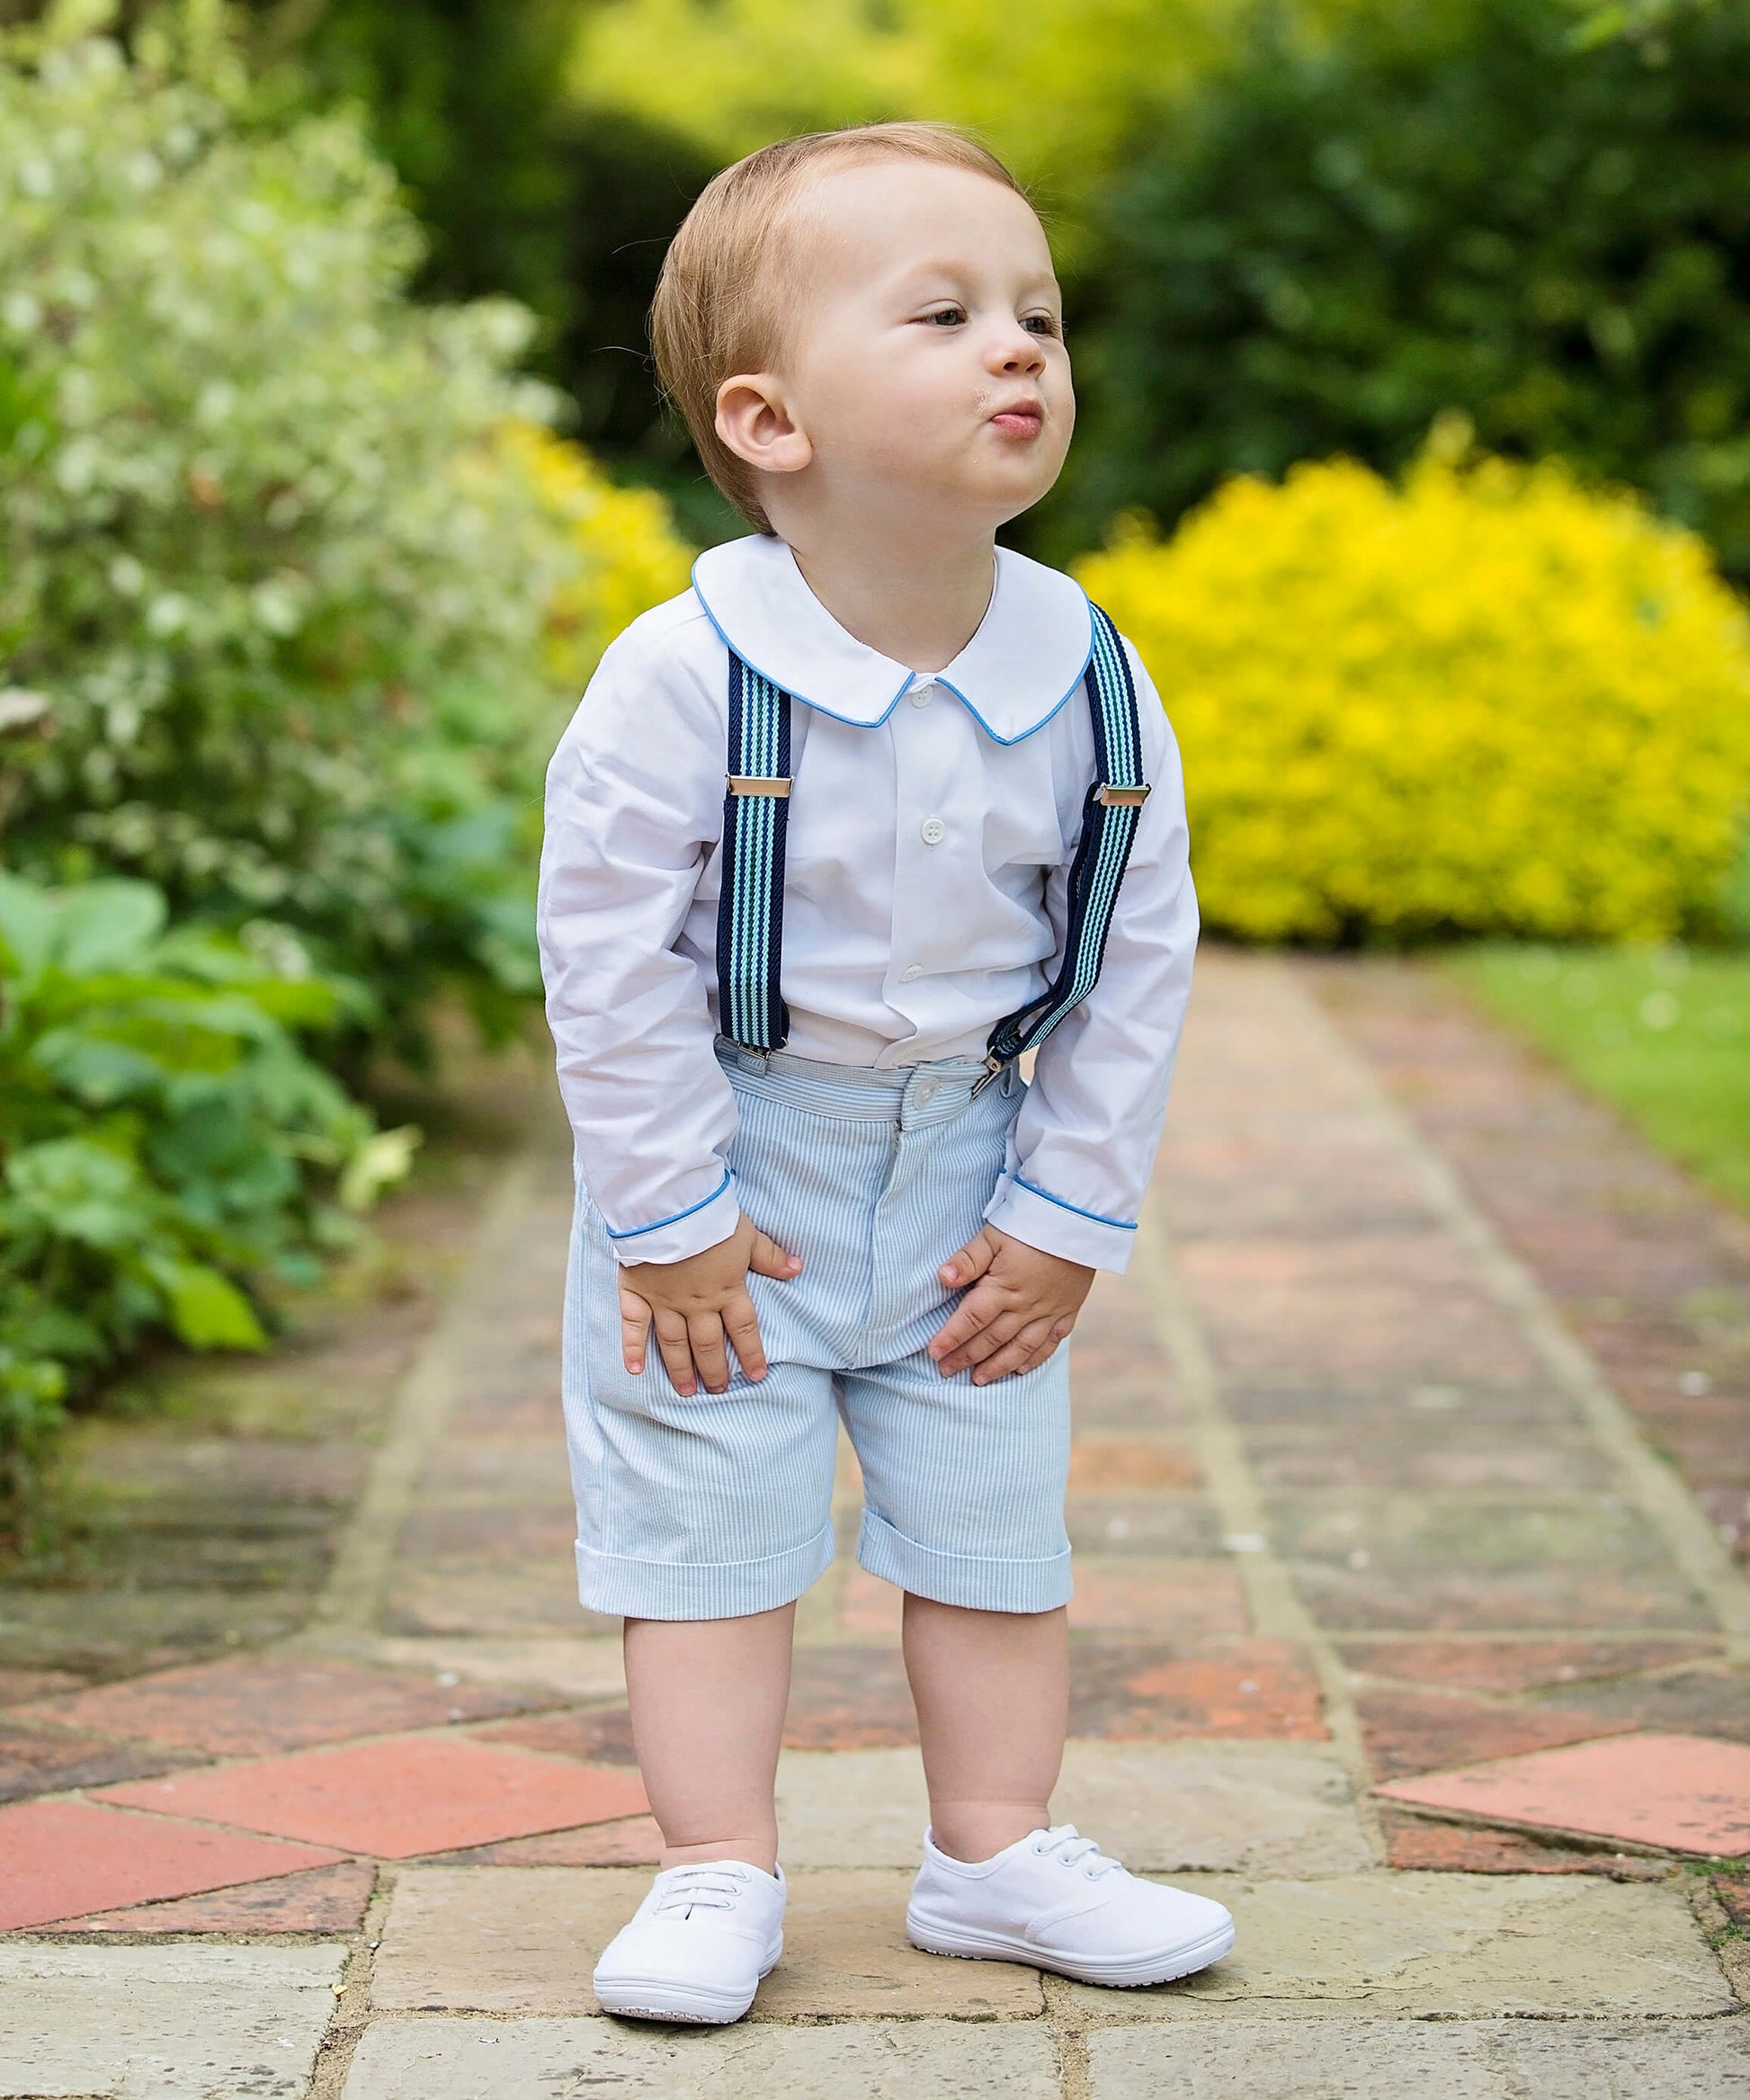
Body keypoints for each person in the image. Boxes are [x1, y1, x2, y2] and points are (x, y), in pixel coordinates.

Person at [538, 121, 1228, 2026]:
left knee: (993, 1517)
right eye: (945, 313)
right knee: (706, 1526)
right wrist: (668, 1219)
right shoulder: (682, 676)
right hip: (731, 1161)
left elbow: (1129, 951)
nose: (1020, 348)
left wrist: (1067, 1212)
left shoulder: (1088, 669)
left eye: (1039, 315)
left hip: (972, 1176)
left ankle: (992, 1849)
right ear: (768, 418)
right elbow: (605, 961)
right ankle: (712, 1864)